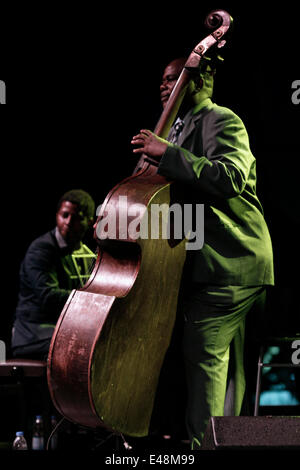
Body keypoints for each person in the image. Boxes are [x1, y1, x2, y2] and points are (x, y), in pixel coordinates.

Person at [131, 57, 274, 449]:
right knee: (230, 376)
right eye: (161, 79)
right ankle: (227, 442)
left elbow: (230, 177)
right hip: (214, 263)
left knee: (205, 357)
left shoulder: (221, 119)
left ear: (204, 77)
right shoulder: (176, 128)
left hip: (229, 262)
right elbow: (175, 203)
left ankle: (203, 449)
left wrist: (168, 153)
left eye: (175, 78)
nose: (165, 86)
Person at [11, 189, 96, 360]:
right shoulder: (41, 250)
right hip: (33, 335)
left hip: (63, 330)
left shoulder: (88, 255)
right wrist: (91, 300)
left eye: (77, 217)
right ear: (57, 215)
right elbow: (47, 296)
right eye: (64, 215)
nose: (68, 222)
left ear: (89, 221)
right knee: (82, 348)